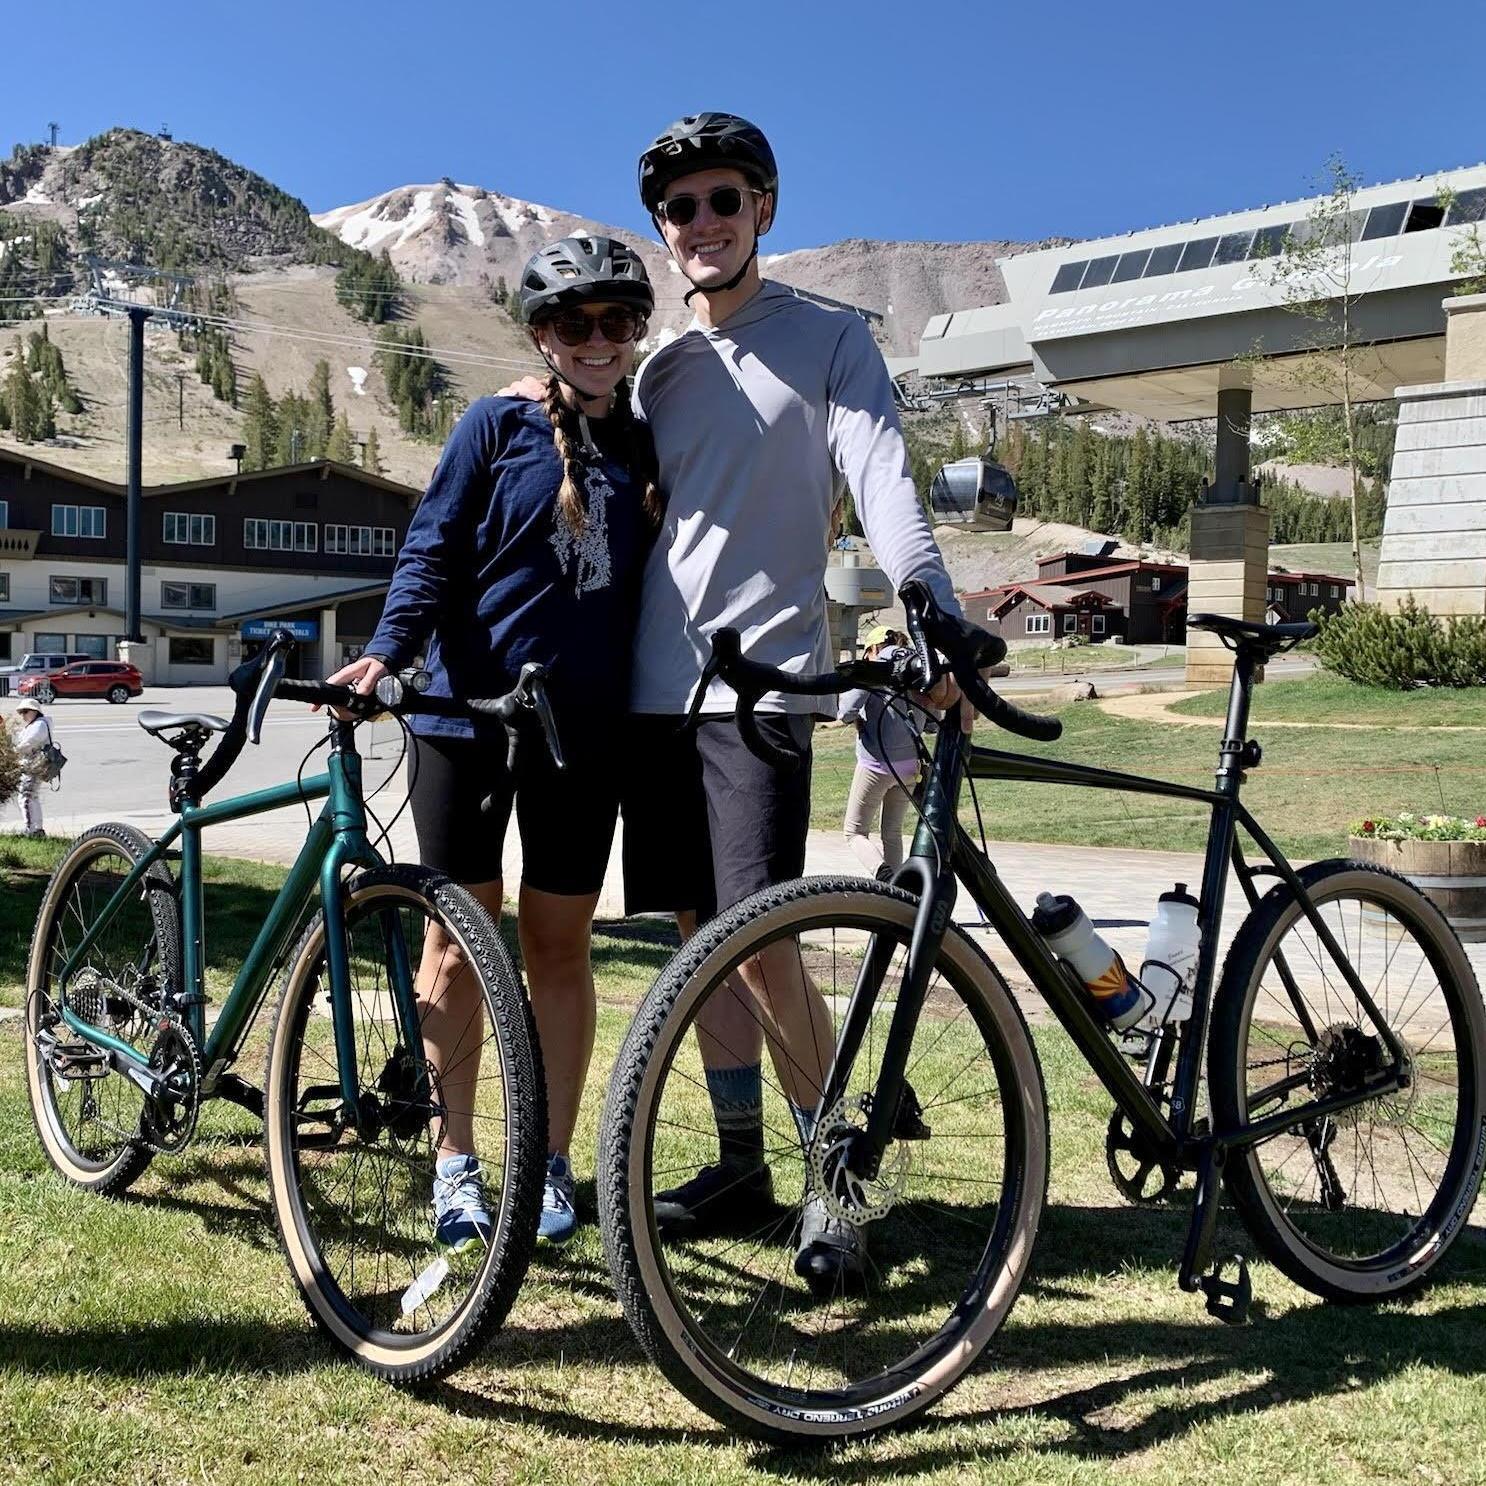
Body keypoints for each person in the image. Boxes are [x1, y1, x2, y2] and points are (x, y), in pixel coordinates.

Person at [506, 113, 967, 1284]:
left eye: (723, 200)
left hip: (763, 686)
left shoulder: (828, 340)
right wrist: (542, 388)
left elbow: (880, 474)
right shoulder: (656, 365)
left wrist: (926, 596)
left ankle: (834, 1181)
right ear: (662, 231)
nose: (701, 223)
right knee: (692, 938)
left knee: (762, 948)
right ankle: (739, 1162)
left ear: (764, 208)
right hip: (651, 692)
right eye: (681, 208)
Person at [327, 235, 661, 1249]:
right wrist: (385, 653)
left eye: (615, 322)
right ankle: (455, 1163)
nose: (595, 342)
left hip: (582, 734)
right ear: (540, 334)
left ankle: (550, 1166)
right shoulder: (494, 424)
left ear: (637, 330)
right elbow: (429, 546)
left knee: (560, 948)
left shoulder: (651, 440)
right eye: (572, 324)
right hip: (462, 722)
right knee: (454, 945)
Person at [837, 626, 936, 879]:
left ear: (873, 649)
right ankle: (895, 891)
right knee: (892, 832)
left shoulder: (874, 670)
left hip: (876, 766)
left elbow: (845, 713)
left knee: (854, 832)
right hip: (910, 768)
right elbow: (933, 723)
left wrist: (860, 717)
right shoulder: (915, 667)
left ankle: (883, 876)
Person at [11, 700, 53, 838]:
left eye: (25, 712)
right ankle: (37, 829)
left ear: (34, 711)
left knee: (26, 797)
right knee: (32, 796)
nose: (23, 715)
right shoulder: (34, 724)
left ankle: (31, 830)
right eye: (21, 712)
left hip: (34, 766)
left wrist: (14, 751)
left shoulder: (40, 724)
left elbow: (29, 743)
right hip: (32, 765)